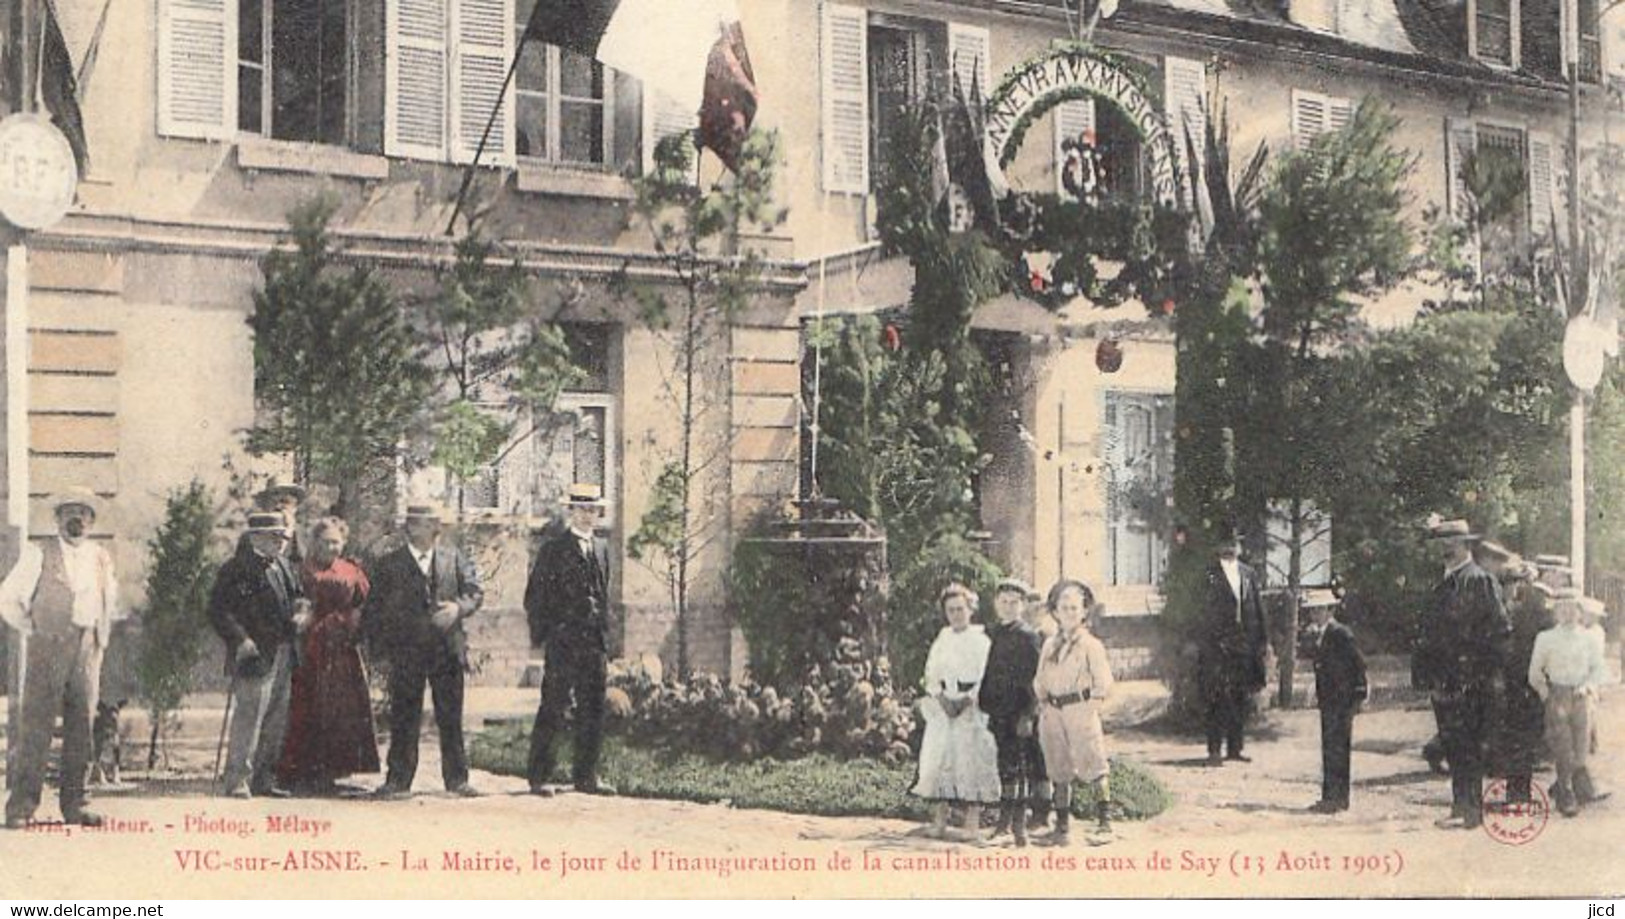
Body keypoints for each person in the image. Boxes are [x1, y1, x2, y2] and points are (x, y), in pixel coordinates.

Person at [1, 489, 122, 828]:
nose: (77, 519)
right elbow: (8, 599)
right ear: (57, 519)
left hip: (87, 649)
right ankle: (22, 807)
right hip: (48, 647)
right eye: (70, 512)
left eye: (84, 513)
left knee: (82, 726)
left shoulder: (100, 556)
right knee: (36, 726)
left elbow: (109, 599)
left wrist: (100, 638)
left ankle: (76, 803)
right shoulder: (37, 553)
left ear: (92, 521)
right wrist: (35, 629)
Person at [366, 504, 484, 799]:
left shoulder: (452, 557)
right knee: (404, 715)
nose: (415, 527)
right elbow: (375, 610)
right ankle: (398, 780)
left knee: (451, 714)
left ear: (434, 527)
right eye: (412, 522)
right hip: (407, 651)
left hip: (447, 649)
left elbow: (474, 592)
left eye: (423, 522)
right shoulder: (390, 563)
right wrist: (380, 653)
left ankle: (457, 779)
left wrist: (458, 608)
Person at [1412, 517, 1510, 829]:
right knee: (1453, 745)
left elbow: (1499, 630)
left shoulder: (1479, 580)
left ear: (1465, 544)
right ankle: (1460, 807)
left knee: (1468, 746)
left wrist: (1479, 675)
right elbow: (1427, 635)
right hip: (1444, 681)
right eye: (1440, 541)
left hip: (1471, 681)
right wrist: (1426, 676)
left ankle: (1471, 812)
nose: (1445, 547)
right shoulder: (1441, 583)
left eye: (1451, 541)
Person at [524, 484, 617, 796]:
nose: (587, 515)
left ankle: (586, 775)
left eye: (592, 510)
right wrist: (550, 633)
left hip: (594, 642)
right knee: (554, 705)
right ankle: (540, 776)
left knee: (593, 707)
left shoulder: (603, 549)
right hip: (564, 642)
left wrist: (606, 633)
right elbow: (535, 597)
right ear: (571, 512)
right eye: (581, 509)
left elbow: (604, 596)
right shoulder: (554, 550)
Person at [209, 511, 309, 799]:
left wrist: (302, 611)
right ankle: (238, 780)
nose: (280, 542)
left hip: (284, 652)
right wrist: (240, 639)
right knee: (249, 718)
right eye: (273, 537)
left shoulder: (284, 565)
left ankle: (264, 779)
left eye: (282, 537)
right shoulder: (236, 569)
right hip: (253, 653)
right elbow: (218, 611)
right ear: (255, 537)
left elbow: (299, 595)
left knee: (276, 719)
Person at [276, 517, 378, 795]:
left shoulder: (352, 570)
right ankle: (301, 771)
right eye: (325, 542)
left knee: (341, 706)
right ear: (315, 542)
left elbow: (365, 603)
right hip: (311, 643)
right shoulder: (302, 569)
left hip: (343, 645)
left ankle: (333, 770)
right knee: (308, 704)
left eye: (336, 542)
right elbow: (293, 601)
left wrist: (357, 627)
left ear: (343, 543)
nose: (331, 547)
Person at [911, 582, 1001, 841]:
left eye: (960, 609)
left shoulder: (981, 640)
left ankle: (971, 825)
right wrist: (940, 697)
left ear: (971, 609)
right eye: (951, 610)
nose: (956, 615)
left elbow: (986, 676)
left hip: (970, 707)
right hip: (944, 705)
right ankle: (939, 821)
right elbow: (931, 672)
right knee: (941, 761)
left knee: (970, 761)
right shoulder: (943, 638)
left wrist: (966, 700)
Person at [1033, 579, 1115, 846]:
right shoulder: (1049, 645)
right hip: (1054, 710)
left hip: (1080, 708)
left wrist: (1090, 708)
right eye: (1063, 607)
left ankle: (1105, 821)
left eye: (1074, 608)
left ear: (1083, 612)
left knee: (1092, 760)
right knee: (1058, 766)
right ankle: (1063, 824)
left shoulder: (1091, 645)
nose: (1068, 613)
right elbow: (1040, 678)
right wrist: (1044, 702)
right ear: (1055, 612)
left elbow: (1104, 683)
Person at [1528, 591, 1607, 817]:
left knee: (1581, 748)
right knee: (1562, 747)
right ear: (1555, 612)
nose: (1568, 613)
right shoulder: (1545, 638)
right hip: (1557, 694)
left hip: (1581, 696)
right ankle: (1566, 793)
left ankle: (1571, 786)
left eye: (1573, 608)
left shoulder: (1588, 638)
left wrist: (1588, 687)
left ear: (1580, 612)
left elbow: (1598, 669)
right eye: (1562, 608)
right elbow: (1535, 673)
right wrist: (1547, 695)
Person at [979, 578, 1045, 846]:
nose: (1008, 607)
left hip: (1020, 712)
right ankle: (1002, 824)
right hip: (998, 710)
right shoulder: (990, 634)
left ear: (1023, 605)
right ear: (996, 604)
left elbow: (1036, 679)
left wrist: (1029, 714)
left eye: (1014, 602)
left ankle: (1019, 827)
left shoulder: (1028, 636)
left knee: (1020, 767)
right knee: (1004, 766)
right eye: (1004, 602)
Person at [1197, 527, 1268, 766]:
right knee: (1217, 697)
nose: (1231, 547)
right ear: (1219, 546)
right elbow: (1203, 614)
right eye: (1227, 542)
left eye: (1235, 542)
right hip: (1218, 648)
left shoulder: (1248, 573)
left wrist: (1261, 641)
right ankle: (1214, 750)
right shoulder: (1209, 574)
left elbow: (1257, 608)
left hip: (1244, 646)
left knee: (1240, 697)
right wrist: (1213, 642)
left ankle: (1235, 748)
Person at [1493, 554, 1549, 808]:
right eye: (1510, 582)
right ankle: (1516, 794)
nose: (1514, 587)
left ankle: (1519, 792)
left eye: (1519, 581)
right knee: (1516, 739)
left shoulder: (1530, 610)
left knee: (1523, 739)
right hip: (1508, 683)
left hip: (1526, 682)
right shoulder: (1499, 610)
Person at [1305, 589, 1366, 814]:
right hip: (1328, 697)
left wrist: (1359, 693)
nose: (1315, 614)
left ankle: (1339, 798)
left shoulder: (1341, 633)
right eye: (1312, 610)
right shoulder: (1317, 634)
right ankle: (1330, 796)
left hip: (1343, 698)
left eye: (1320, 609)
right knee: (1330, 747)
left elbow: (1358, 664)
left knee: (1339, 747)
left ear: (1330, 610)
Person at [256, 478, 309, 565]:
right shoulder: (256, 534)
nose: (278, 506)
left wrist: (289, 530)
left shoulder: (305, 536)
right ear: (264, 506)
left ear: (295, 507)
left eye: (284, 502)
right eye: (273, 502)